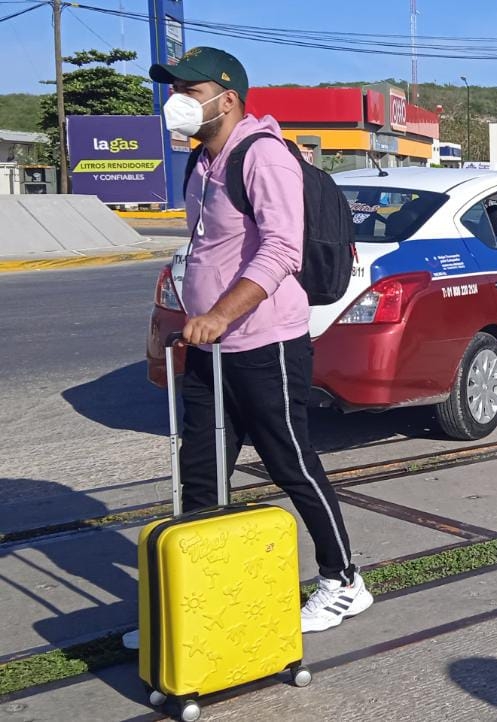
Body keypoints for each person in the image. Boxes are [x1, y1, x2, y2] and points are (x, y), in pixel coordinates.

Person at [150, 47, 372, 633]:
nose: (177, 102)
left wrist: (220, 314)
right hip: (208, 346)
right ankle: (197, 596)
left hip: (265, 342)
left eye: (189, 92)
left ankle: (344, 579)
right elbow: (209, 250)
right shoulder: (201, 161)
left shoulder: (263, 156)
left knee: (289, 461)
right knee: (200, 469)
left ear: (227, 99)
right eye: (174, 90)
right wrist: (185, 312)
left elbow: (281, 250)